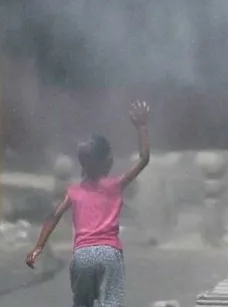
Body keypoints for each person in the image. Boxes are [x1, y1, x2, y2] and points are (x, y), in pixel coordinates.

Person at [26, 100, 151, 307]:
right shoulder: (115, 185)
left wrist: (38, 247)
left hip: (83, 255)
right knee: (111, 301)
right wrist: (142, 127)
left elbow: (53, 217)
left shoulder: (73, 192)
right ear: (108, 161)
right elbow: (144, 159)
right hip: (110, 254)